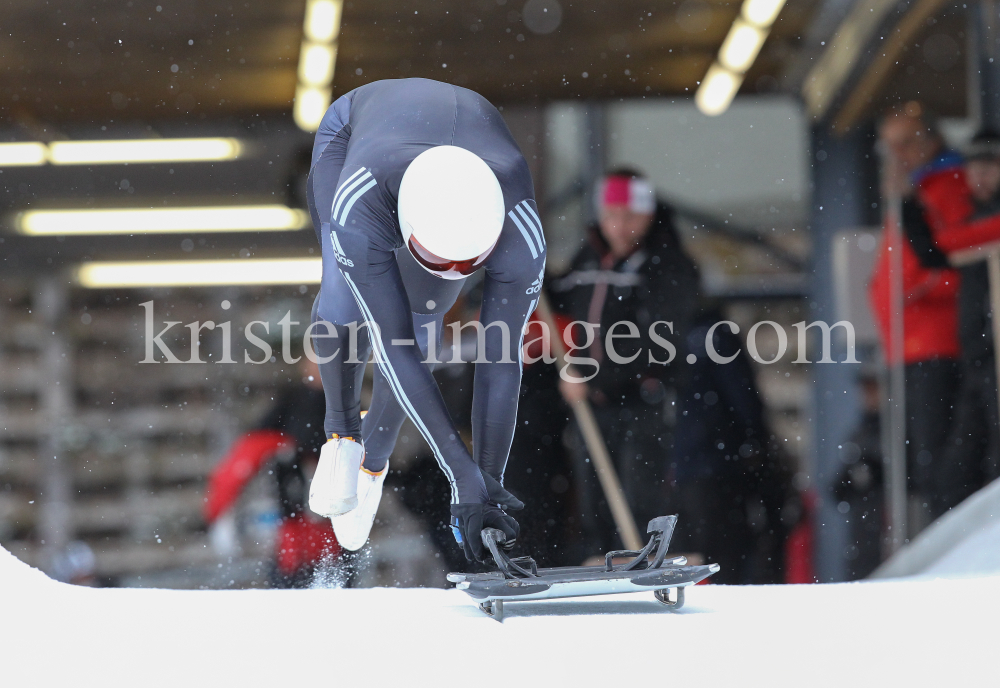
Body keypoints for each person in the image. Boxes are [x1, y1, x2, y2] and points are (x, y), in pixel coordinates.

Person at [304, 79, 544, 562]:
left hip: (458, 159)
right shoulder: (362, 205)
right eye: (443, 261)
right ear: (408, 230)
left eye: (467, 266)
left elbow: (500, 363)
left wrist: (486, 484)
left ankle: (374, 458)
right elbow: (391, 349)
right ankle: (343, 432)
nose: (455, 274)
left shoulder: (519, 231)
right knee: (345, 299)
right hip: (355, 135)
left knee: (427, 317)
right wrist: (459, 472)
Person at [550, 168, 700, 557]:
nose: (618, 226)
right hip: (591, 407)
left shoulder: (668, 265)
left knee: (639, 498)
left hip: (641, 404)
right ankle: (600, 564)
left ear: (648, 216)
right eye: (611, 215)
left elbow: (658, 342)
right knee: (593, 502)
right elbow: (559, 296)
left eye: (629, 216)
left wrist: (595, 381)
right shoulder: (589, 258)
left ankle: (642, 562)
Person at [868, 103, 962, 521]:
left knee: (939, 458)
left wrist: (918, 291)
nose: (898, 156)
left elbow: (958, 258)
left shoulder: (945, 185)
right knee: (922, 460)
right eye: (889, 148)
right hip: (908, 344)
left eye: (905, 144)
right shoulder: (912, 192)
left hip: (935, 342)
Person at [204, 358, 342, 588]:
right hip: (291, 501)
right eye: (314, 364)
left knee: (332, 563)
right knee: (291, 565)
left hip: (330, 505)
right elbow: (257, 440)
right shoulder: (292, 399)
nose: (318, 370)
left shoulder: (343, 401)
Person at [919, 130, 1000, 515]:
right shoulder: (966, 218)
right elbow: (933, 249)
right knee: (959, 464)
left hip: (989, 350)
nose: (980, 176)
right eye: (975, 167)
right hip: (978, 351)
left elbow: (945, 245)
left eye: (991, 166)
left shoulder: (972, 226)